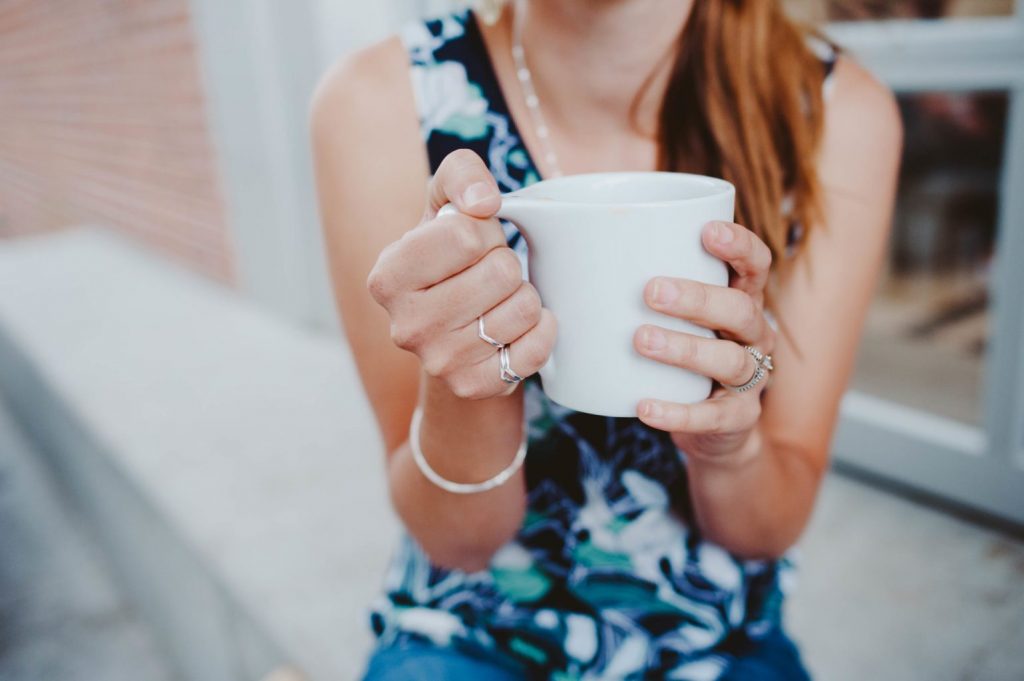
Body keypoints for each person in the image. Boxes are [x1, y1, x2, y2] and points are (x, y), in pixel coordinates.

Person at [310, 0, 901, 678]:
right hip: (469, 630)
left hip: (715, 638)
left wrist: (729, 447)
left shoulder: (833, 111)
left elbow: (765, 532)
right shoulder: (378, 101)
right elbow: (458, 542)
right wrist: (466, 380)